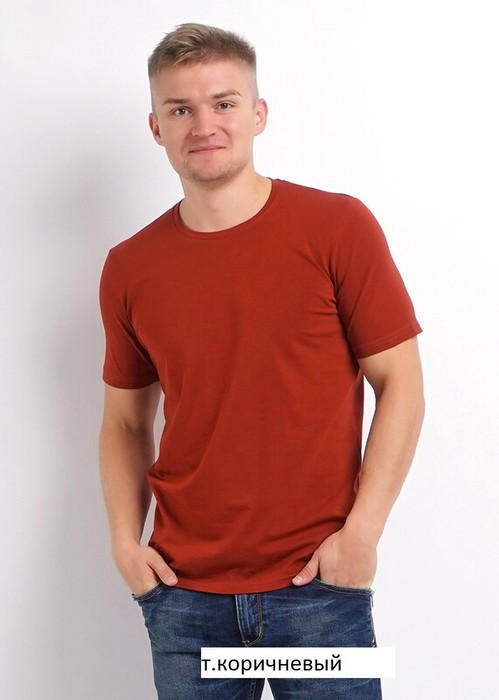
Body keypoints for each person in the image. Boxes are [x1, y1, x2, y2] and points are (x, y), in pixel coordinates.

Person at [98, 22, 424, 700]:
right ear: (156, 128)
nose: (203, 125)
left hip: (319, 589)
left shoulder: (337, 227)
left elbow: (401, 385)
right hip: (185, 599)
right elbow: (126, 421)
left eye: (223, 102)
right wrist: (126, 544)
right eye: (179, 109)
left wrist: (361, 534)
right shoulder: (129, 266)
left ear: (258, 113)